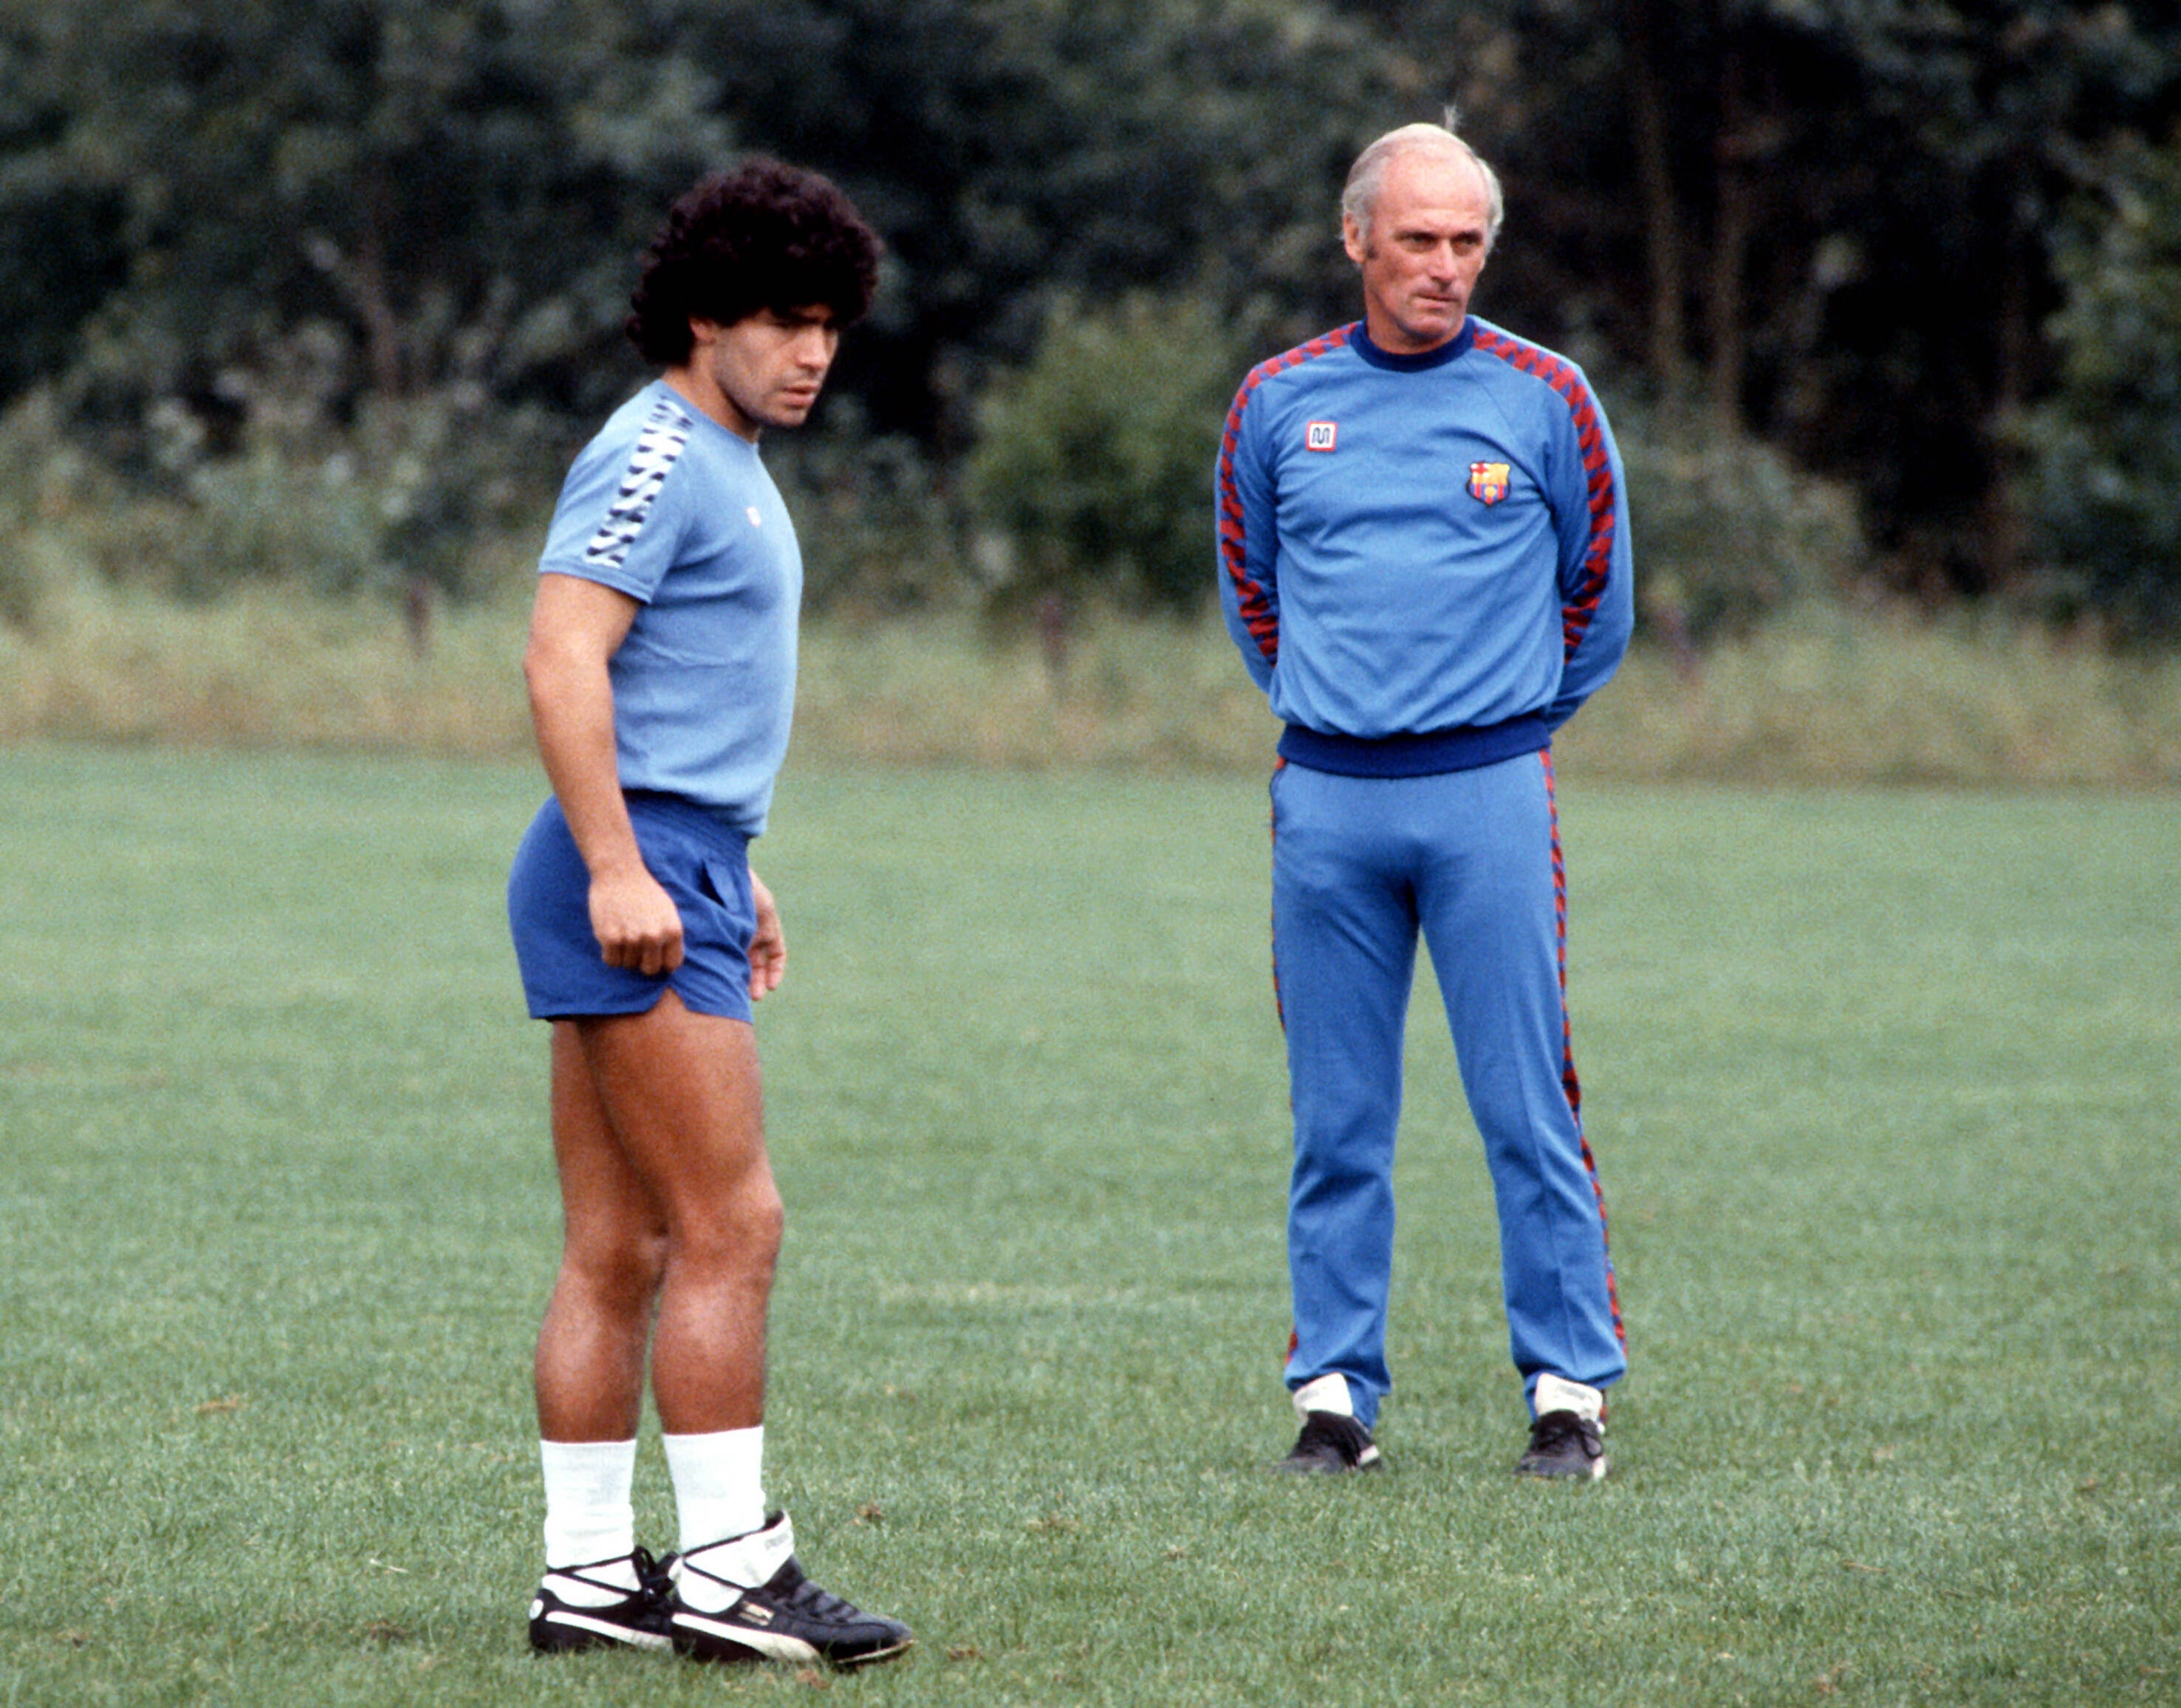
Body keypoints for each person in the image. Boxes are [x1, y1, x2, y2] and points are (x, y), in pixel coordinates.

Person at [506, 160, 910, 1667]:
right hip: (630, 871)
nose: (813, 352)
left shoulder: (727, 454)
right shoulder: (658, 452)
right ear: (701, 315)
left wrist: (728, 860)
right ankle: (736, 1571)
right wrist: (627, 864)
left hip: (676, 855)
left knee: (619, 1242)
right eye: (784, 322)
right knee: (731, 1221)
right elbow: (562, 658)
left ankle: (591, 1581)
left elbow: (677, 701)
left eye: (831, 326)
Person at [1216, 119, 1634, 1481]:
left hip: (1488, 800)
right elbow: (1253, 595)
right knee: (1338, 1117)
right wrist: (1344, 708)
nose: (1444, 268)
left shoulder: (1544, 398)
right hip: (1325, 805)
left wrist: (1495, 723)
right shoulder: (1277, 404)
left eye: (1467, 243)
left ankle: (1567, 1392)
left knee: (1526, 1103)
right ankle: (1333, 1397)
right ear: (1355, 241)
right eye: (1417, 240)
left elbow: (1599, 605)